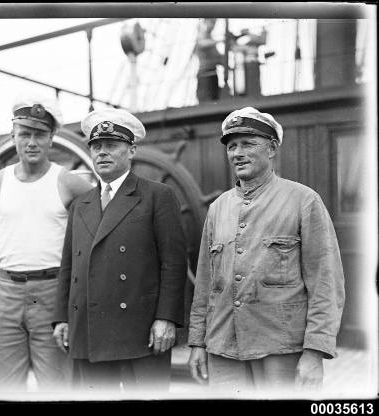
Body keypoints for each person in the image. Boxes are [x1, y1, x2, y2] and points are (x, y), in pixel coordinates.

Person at [188, 106, 345, 394]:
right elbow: (205, 286)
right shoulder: (218, 207)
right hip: (223, 348)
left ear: (272, 149)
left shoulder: (303, 200)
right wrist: (198, 342)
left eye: (248, 144)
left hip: (281, 348)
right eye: (232, 146)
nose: (237, 153)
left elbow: (326, 282)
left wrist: (314, 352)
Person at [0, 99, 93, 391]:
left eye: (40, 135)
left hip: (52, 294)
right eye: (24, 134)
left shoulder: (68, 182)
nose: (31, 142)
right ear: (13, 136)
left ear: (52, 138)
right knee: (4, 389)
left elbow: (106, 223)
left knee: (58, 389)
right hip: (5, 294)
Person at [52, 108, 187, 392]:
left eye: (111, 145)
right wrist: (62, 318)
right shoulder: (81, 204)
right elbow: (69, 267)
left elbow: (173, 264)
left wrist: (166, 319)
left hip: (140, 331)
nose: (102, 152)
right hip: (88, 329)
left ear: (132, 150)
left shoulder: (157, 195)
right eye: (97, 146)